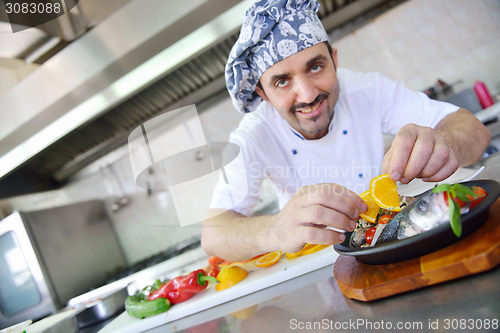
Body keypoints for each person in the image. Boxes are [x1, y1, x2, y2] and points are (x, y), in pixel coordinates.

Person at [201, 0, 490, 262]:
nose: (307, 94)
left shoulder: (368, 90)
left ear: (335, 60)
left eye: (315, 67)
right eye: (281, 82)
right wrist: (275, 230)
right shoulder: (253, 135)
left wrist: (446, 144)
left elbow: (472, 129)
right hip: (313, 263)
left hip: (386, 242)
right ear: (263, 94)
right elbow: (213, 234)